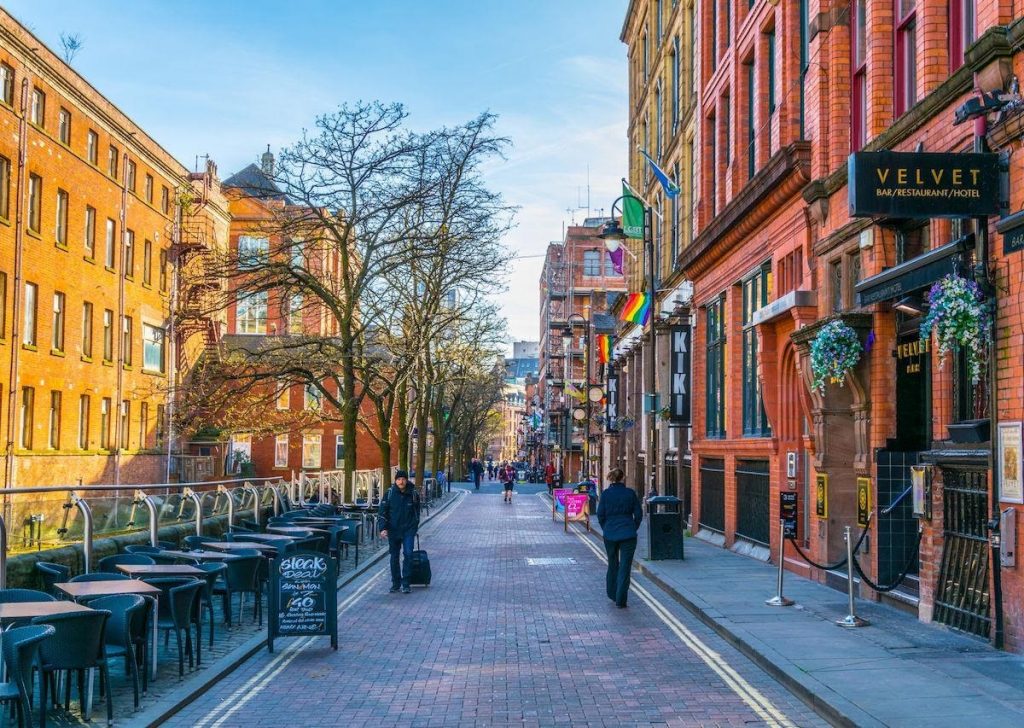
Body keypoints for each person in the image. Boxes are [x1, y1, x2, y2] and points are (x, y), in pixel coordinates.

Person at [596, 467, 643, 608]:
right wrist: (632, 527)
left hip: (610, 534)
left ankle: (612, 593)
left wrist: (606, 528)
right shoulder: (630, 493)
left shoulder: (605, 494)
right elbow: (639, 515)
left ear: (611, 478)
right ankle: (621, 599)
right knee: (625, 566)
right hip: (628, 534)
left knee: (612, 564)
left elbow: (600, 515)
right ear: (623, 478)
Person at [378, 469, 421, 594]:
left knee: (408, 554)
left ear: (406, 480)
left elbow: (417, 512)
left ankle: (406, 583)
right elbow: (382, 512)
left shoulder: (413, 493)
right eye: (398, 479)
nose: (401, 481)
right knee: (394, 557)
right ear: (395, 481)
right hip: (393, 530)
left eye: (403, 479)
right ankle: (396, 583)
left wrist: (414, 527)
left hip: (408, 530)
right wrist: (383, 528)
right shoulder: (390, 494)